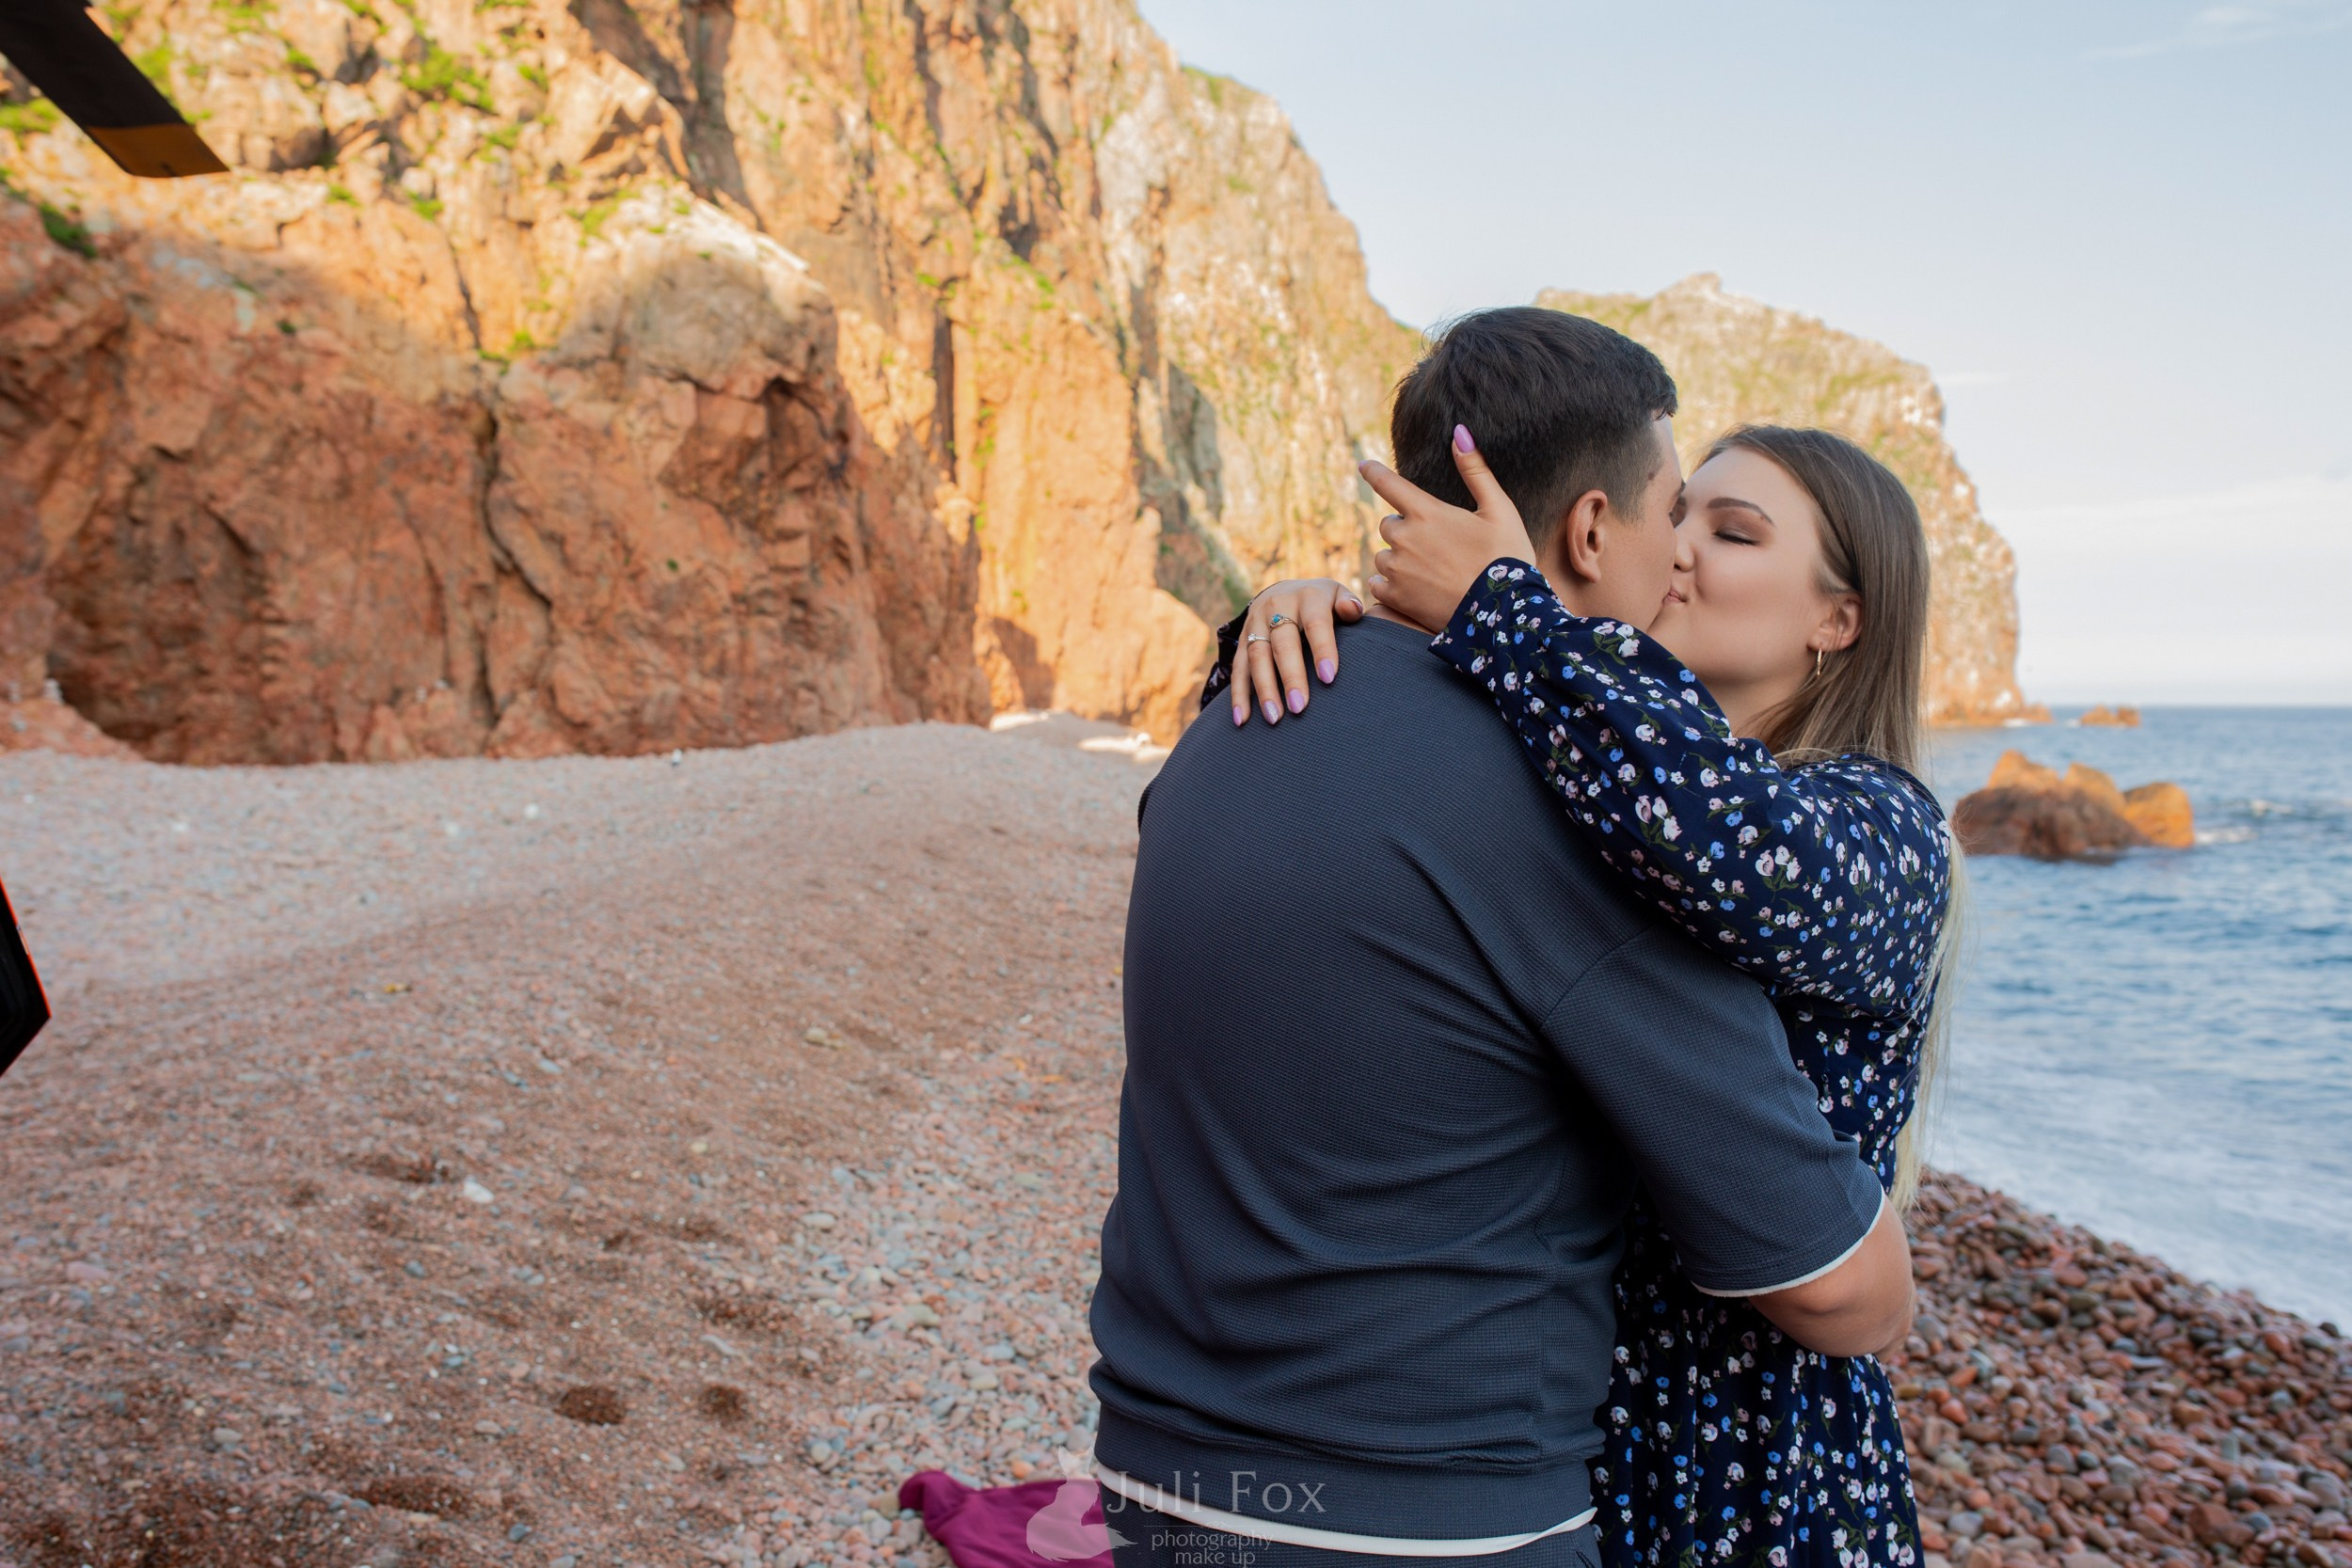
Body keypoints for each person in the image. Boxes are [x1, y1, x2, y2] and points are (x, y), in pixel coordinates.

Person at [1086, 308, 1915, 1568]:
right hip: (1428, 1510)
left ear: (1843, 619)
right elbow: (1838, 1285)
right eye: (1677, 513)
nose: (1683, 556)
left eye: (1729, 530)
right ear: (1592, 529)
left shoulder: (1232, 729)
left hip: (1158, 1472)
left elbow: (1742, 845)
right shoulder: (1574, 822)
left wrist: (1464, 621)